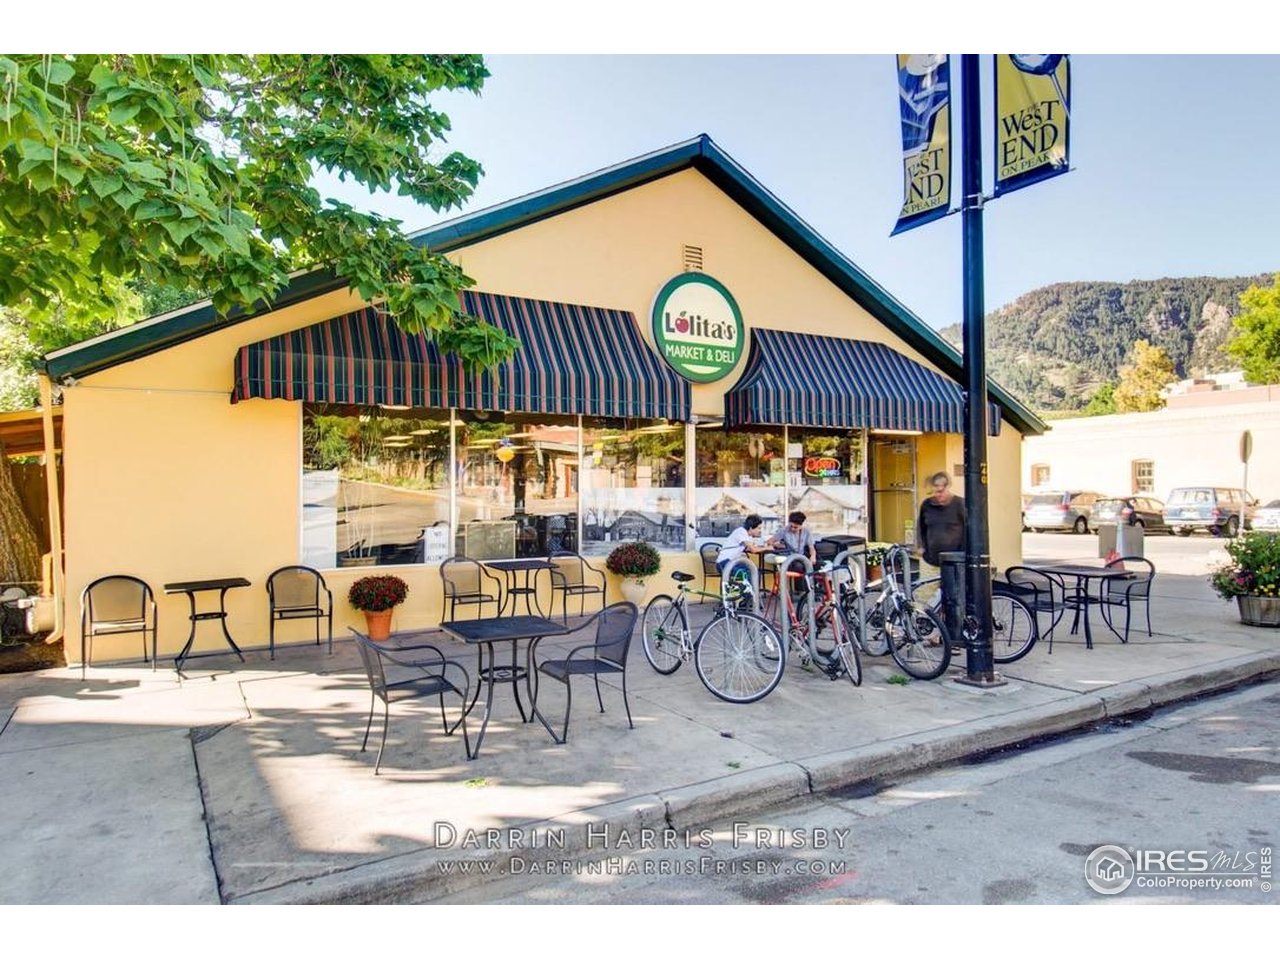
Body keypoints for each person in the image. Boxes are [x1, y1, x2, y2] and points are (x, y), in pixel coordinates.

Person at [917, 471, 966, 646]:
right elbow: (921, 527)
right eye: (935, 490)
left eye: (941, 490)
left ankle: (951, 638)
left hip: (953, 561)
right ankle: (927, 633)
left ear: (948, 487)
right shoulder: (927, 505)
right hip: (930, 559)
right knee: (925, 598)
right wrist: (921, 546)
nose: (939, 494)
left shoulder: (959, 504)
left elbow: (968, 529)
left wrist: (964, 554)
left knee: (952, 601)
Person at [716, 513, 771, 582]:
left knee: (754, 571)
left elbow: (751, 548)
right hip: (724, 564)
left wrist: (764, 546)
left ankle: (751, 592)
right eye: (758, 528)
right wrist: (767, 548)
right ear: (751, 528)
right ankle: (748, 592)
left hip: (731, 563)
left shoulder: (748, 536)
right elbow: (753, 549)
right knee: (751, 572)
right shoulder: (741, 532)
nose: (760, 531)